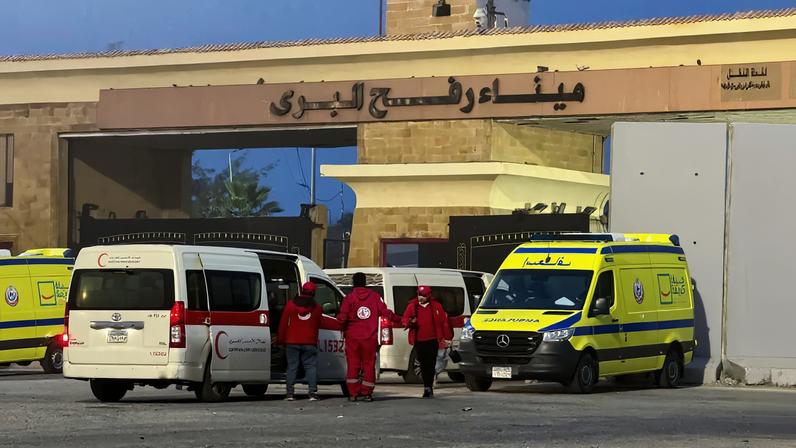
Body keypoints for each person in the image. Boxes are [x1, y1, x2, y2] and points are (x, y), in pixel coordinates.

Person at [337, 272, 398, 402]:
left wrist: (340, 325)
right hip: (370, 338)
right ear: (365, 282)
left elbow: (342, 318)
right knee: (369, 365)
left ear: (353, 283)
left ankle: (353, 394)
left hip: (353, 337)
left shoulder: (349, 298)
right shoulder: (375, 297)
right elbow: (385, 313)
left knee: (353, 364)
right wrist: (400, 319)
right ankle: (367, 393)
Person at [276, 281, 324, 402]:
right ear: (313, 293)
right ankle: (312, 393)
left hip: (292, 341)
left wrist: (281, 339)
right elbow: (319, 324)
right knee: (311, 367)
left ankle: (290, 394)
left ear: (302, 290)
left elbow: (283, 324)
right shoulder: (317, 308)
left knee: (292, 367)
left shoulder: (290, 305)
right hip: (309, 342)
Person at [402, 285, 453, 398]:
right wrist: (410, 322)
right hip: (419, 341)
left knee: (431, 364)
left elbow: (444, 322)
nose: (421, 297)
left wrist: (447, 338)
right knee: (423, 364)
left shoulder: (436, 306)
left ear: (429, 295)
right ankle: (427, 386)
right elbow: (404, 319)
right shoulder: (412, 306)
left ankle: (428, 387)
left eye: (423, 295)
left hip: (433, 340)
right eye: (419, 295)